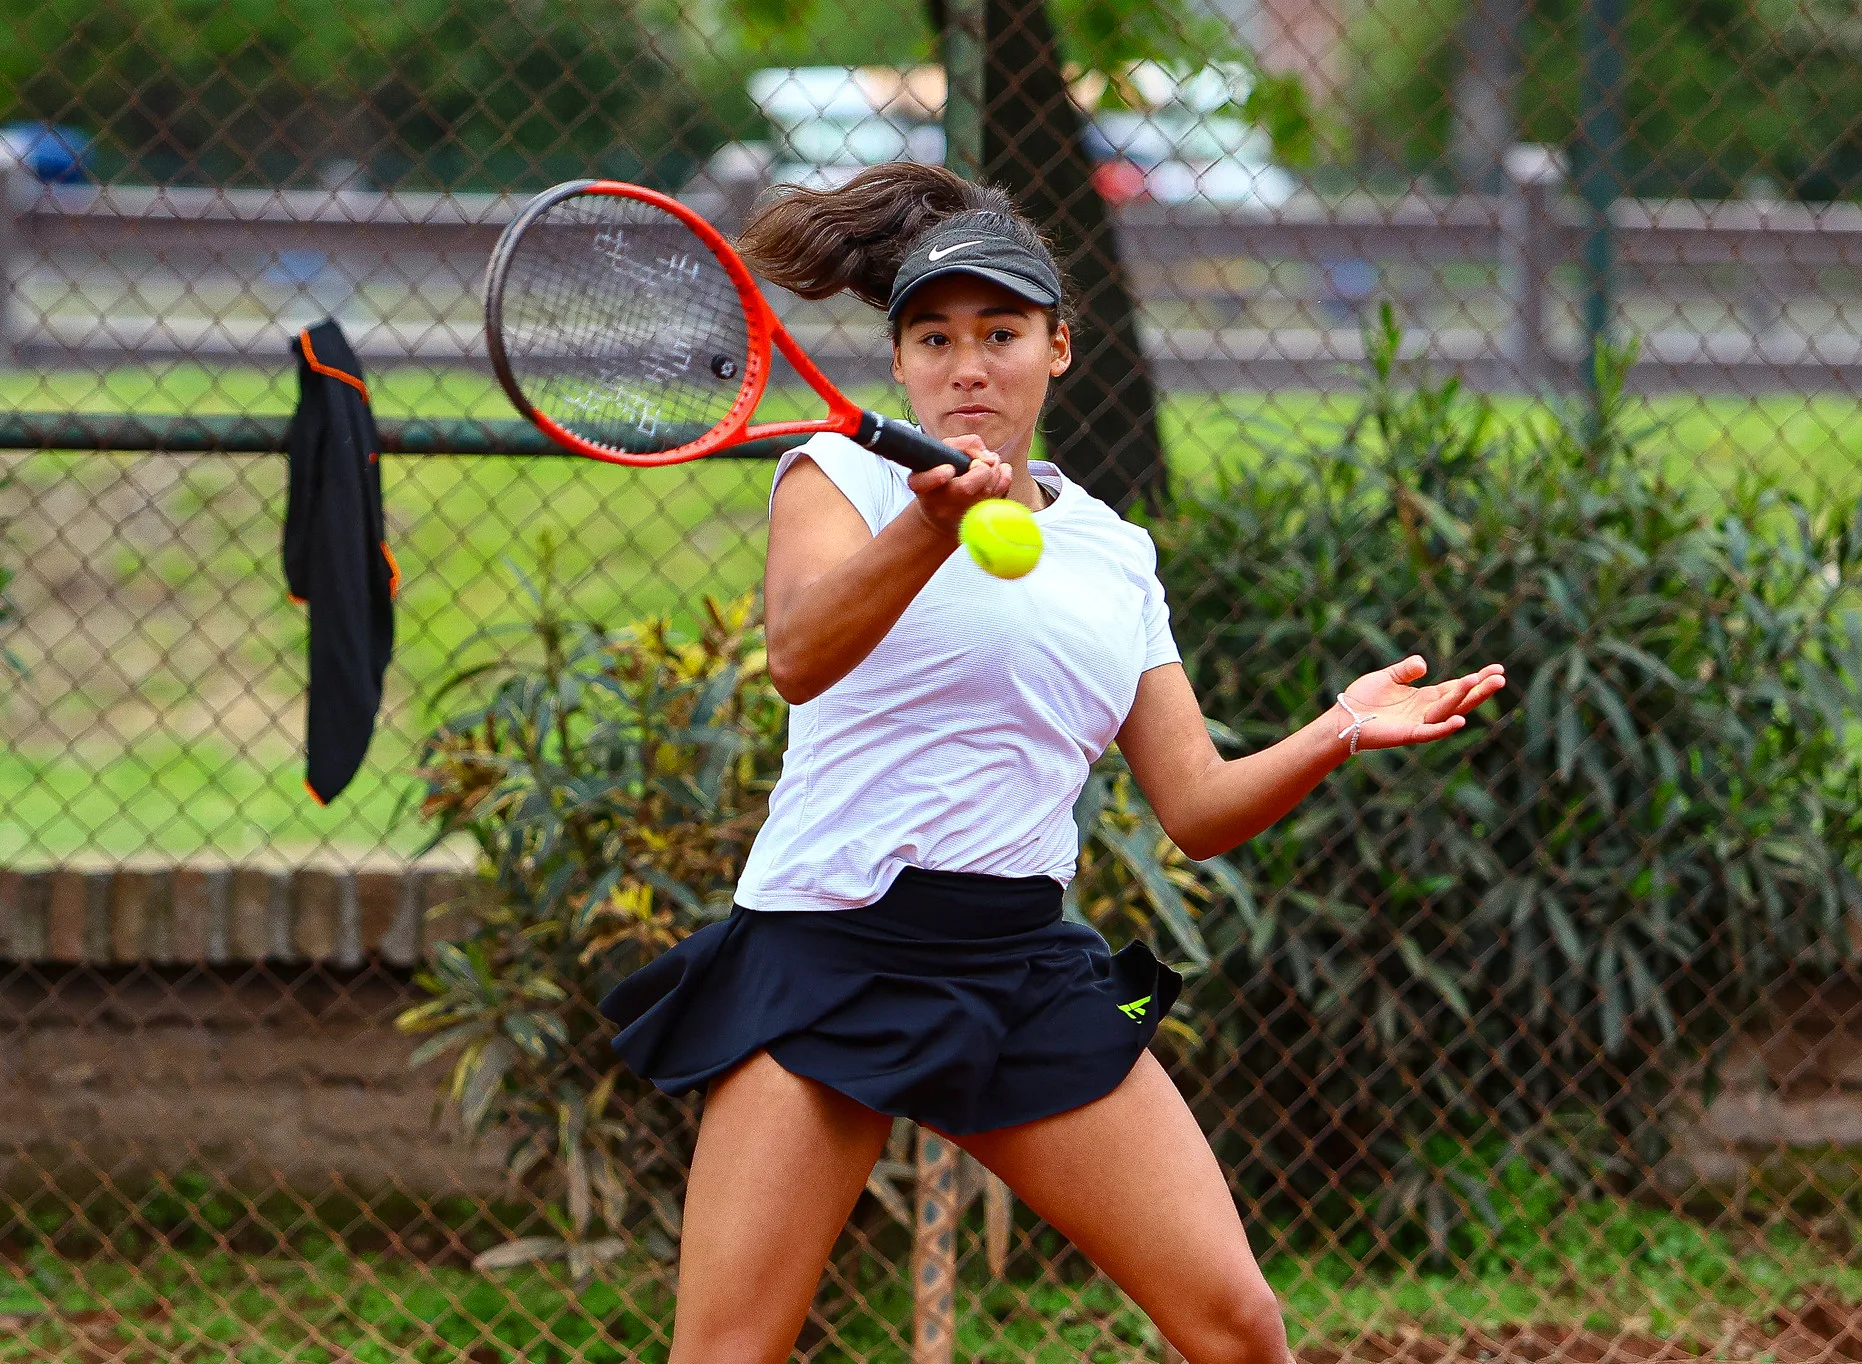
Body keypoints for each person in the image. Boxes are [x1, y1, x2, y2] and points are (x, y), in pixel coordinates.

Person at [598, 162, 1508, 1364]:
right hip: (826, 949)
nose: (967, 364)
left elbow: (1195, 806)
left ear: (1058, 349)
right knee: (727, 1353)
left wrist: (1337, 725)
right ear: (903, 361)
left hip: (1017, 959)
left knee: (1238, 1328)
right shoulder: (842, 475)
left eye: (1000, 333)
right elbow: (800, 654)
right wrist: (930, 520)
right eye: (934, 337)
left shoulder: (1111, 554)